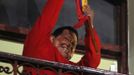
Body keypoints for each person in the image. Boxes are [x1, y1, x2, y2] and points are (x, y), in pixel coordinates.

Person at [22, 0, 101, 75]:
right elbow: (48, 17)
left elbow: (92, 62)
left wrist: (89, 26)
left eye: (73, 45)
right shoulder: (38, 46)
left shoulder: (72, 70)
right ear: (52, 39)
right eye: (67, 39)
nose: (70, 44)